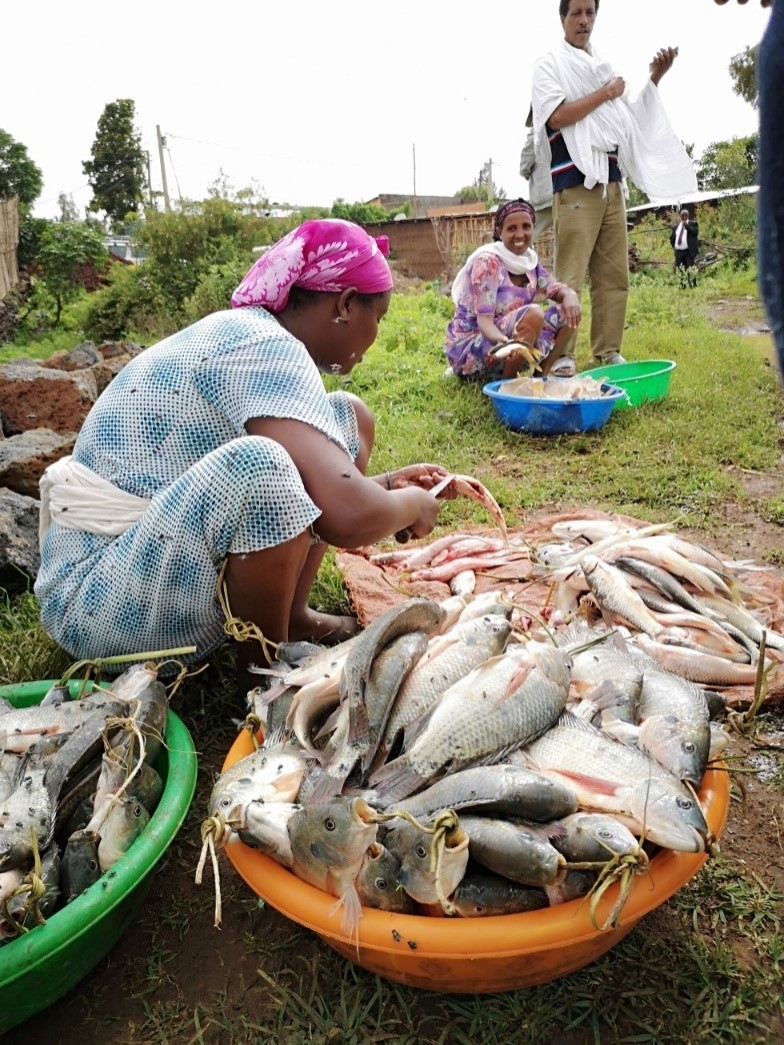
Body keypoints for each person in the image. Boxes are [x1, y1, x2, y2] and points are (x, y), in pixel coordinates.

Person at [34, 219, 450, 694]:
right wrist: (412, 505)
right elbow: (345, 515)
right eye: (380, 319)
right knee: (262, 466)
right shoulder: (265, 345)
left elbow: (324, 489)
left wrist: (387, 487)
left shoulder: (256, 335)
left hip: (137, 553)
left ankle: (290, 617)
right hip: (94, 605)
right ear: (347, 304)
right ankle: (264, 683)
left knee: (345, 416)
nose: (375, 337)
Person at [531, 0, 697, 377]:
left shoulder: (602, 65)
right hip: (575, 181)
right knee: (570, 275)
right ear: (562, 18)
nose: (583, 20)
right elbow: (556, 116)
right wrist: (606, 93)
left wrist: (655, 77)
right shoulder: (550, 64)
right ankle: (562, 355)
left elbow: (628, 119)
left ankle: (608, 349)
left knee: (613, 273)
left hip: (611, 180)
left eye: (590, 12)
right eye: (576, 13)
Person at [444, 198, 581, 380]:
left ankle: (541, 376)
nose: (520, 234)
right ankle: (508, 384)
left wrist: (570, 295)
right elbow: (484, 322)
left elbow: (555, 288)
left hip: (513, 340)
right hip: (473, 345)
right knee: (534, 314)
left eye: (526, 226)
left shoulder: (529, 263)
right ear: (499, 233)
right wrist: (503, 341)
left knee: (569, 310)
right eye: (512, 228)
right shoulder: (488, 262)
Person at [519, 108, 553, 241]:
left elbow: (526, 157)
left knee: (525, 234)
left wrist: (525, 172)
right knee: (562, 235)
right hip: (566, 189)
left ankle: (512, 255)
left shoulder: (539, 127)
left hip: (545, 194)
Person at [670, 207, 700, 287]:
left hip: (688, 251)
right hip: (679, 252)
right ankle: (682, 285)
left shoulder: (693, 224)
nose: (684, 217)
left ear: (688, 216)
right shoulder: (676, 226)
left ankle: (693, 285)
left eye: (685, 215)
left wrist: (687, 226)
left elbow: (695, 232)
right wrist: (674, 246)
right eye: (682, 215)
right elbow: (672, 237)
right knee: (680, 269)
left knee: (690, 268)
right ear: (680, 216)